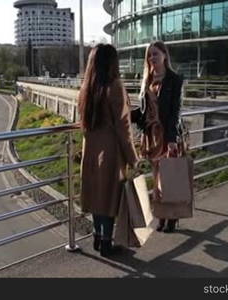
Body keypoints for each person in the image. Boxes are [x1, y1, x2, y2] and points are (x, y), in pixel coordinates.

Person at [79, 44, 139, 257]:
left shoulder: (87, 87)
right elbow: (124, 127)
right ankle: (106, 242)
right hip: (111, 151)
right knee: (110, 197)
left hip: (91, 150)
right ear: (111, 62)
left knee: (97, 196)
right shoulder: (115, 86)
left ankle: (97, 237)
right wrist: (133, 158)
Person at [131, 41, 185, 233]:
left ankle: (171, 218)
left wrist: (172, 139)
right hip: (150, 136)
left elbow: (175, 112)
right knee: (156, 179)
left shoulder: (174, 80)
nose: (152, 58)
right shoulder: (147, 79)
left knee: (167, 179)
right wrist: (125, 115)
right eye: (149, 55)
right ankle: (162, 216)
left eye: (155, 54)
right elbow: (144, 112)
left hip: (166, 135)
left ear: (164, 55)